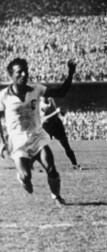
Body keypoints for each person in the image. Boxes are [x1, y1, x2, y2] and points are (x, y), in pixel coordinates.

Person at [0, 58, 76, 207]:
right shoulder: (3, 96)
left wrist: (71, 73)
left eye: (25, 71)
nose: (23, 74)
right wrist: (2, 142)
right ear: (11, 75)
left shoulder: (36, 89)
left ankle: (57, 197)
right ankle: (23, 179)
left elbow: (61, 92)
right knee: (26, 176)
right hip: (17, 141)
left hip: (37, 136)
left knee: (51, 168)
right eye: (19, 72)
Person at [39, 96, 82, 170]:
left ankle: (75, 164)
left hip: (57, 124)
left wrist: (61, 112)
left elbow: (57, 111)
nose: (45, 96)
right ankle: (41, 165)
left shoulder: (51, 100)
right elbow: (44, 118)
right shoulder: (40, 105)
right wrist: (56, 112)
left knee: (66, 146)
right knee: (42, 147)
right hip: (47, 126)